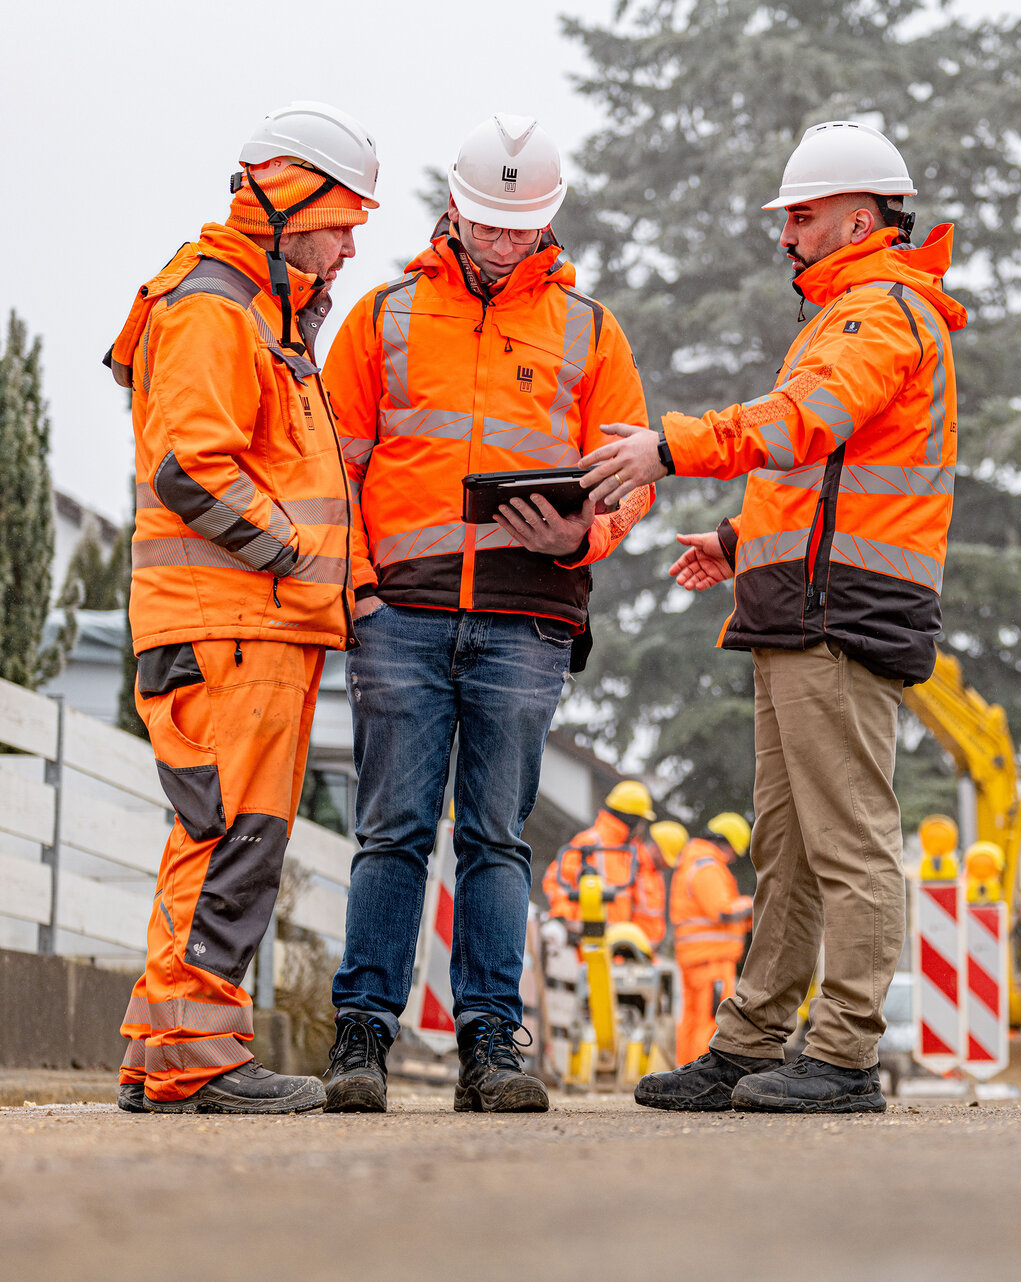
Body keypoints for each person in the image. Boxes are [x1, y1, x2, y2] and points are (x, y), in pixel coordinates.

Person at [584, 121, 965, 1114]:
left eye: (798, 214)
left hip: (837, 615)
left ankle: (841, 1054)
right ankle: (753, 1044)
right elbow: (819, 478)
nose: (785, 233)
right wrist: (737, 539)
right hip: (803, 604)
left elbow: (800, 426)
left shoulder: (876, 313)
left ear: (858, 214)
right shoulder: (856, 312)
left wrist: (668, 447)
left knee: (846, 842)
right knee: (788, 850)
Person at [318, 113, 654, 1115]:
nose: (505, 242)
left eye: (523, 226)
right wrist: (359, 591)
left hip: (529, 614)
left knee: (499, 837)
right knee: (392, 830)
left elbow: (632, 479)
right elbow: (332, 467)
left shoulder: (592, 331)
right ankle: (362, 1039)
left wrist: (579, 541)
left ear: (548, 220)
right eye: (489, 223)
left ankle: (490, 1045)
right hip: (401, 615)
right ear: (455, 210)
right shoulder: (381, 316)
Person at [108, 101, 379, 1114]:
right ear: (290, 200)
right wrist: (297, 551)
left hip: (249, 626)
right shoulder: (218, 309)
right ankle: (199, 1062)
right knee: (232, 844)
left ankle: (166, 1052)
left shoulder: (262, 311)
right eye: (343, 219)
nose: (354, 242)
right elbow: (189, 465)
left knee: (217, 839)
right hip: (231, 624)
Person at [669, 814, 755, 1065]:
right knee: (709, 1023)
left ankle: (685, 1072)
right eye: (732, 852)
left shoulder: (694, 862)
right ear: (725, 843)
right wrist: (751, 904)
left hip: (698, 958)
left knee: (693, 1021)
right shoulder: (707, 866)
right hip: (711, 960)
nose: (732, 858)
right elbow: (722, 910)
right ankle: (701, 1072)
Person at [541, 780, 669, 948]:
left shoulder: (631, 851)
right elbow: (556, 882)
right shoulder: (589, 842)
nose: (642, 828)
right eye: (642, 821)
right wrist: (566, 918)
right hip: (587, 939)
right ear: (633, 820)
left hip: (617, 943)